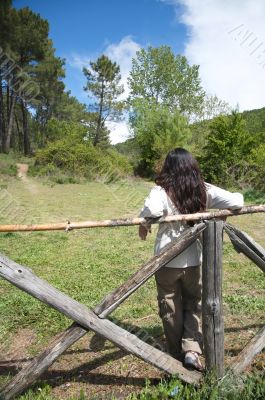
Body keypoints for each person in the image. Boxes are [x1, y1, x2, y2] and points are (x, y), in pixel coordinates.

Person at [138, 148, 243, 371]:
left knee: (170, 307)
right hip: (194, 259)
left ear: (169, 167)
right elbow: (237, 201)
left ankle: (175, 353)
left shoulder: (161, 190)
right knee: (193, 303)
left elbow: (152, 209)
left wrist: (144, 222)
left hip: (166, 261)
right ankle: (192, 350)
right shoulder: (203, 189)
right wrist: (219, 213)